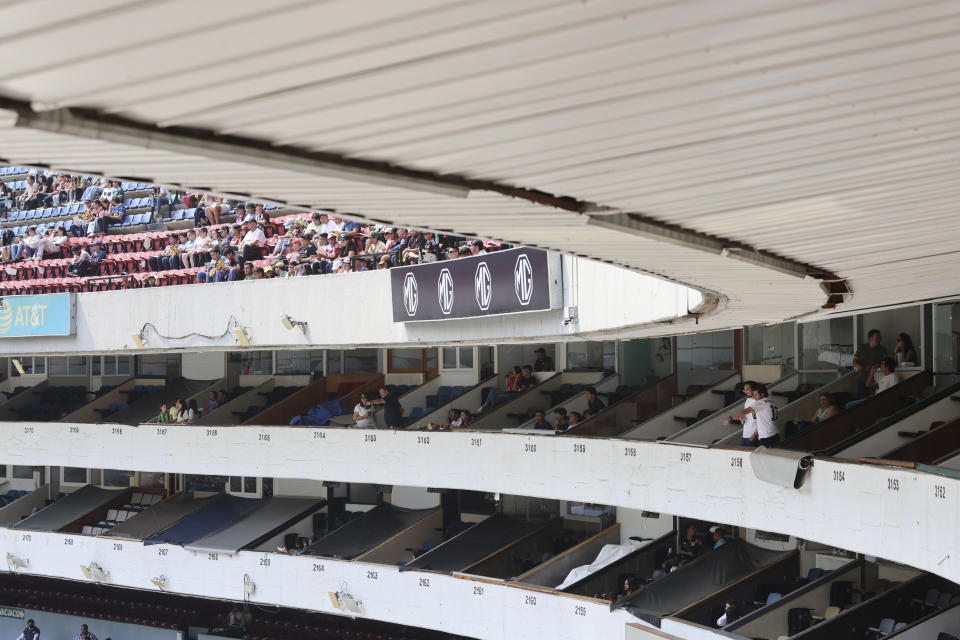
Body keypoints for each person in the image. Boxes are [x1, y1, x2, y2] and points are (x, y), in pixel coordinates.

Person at [721, 381, 758, 447]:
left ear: (754, 389)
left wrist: (754, 435)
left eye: (747, 389)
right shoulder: (748, 400)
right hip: (745, 435)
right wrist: (742, 419)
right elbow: (745, 418)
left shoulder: (758, 402)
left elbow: (762, 421)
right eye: (744, 390)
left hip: (753, 436)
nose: (745, 391)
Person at [852, 329, 887, 397]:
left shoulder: (882, 349)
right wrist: (861, 367)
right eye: (877, 338)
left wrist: (875, 367)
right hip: (862, 379)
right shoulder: (862, 348)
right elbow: (854, 361)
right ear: (870, 338)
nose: (879, 340)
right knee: (860, 401)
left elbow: (885, 364)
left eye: (880, 338)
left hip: (875, 380)